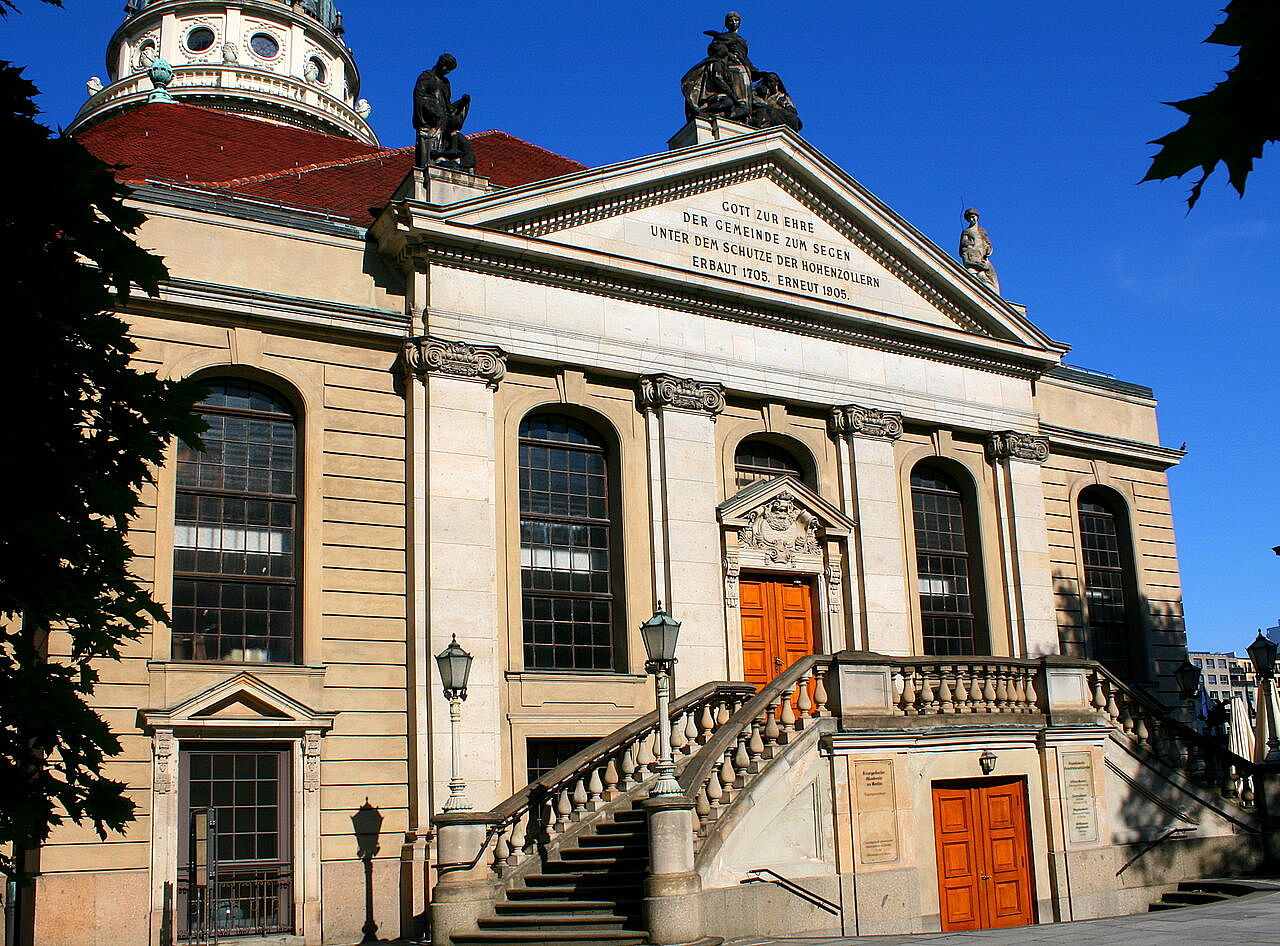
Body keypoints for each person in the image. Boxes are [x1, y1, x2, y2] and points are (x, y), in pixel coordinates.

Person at [412, 54, 475, 171]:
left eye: (450, 70)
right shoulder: (426, 77)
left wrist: (462, 102)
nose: (447, 71)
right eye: (447, 67)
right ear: (441, 63)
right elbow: (419, 98)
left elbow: (448, 107)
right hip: (430, 119)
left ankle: (444, 159)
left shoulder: (445, 83)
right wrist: (434, 112)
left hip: (443, 118)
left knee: (462, 108)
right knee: (430, 155)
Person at [959, 208, 1000, 293]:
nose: (972, 219)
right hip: (972, 261)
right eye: (969, 218)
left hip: (982, 260)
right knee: (971, 282)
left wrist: (988, 250)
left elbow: (988, 243)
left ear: (977, 217)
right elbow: (963, 247)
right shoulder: (966, 232)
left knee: (991, 282)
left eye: (973, 217)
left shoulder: (982, 231)